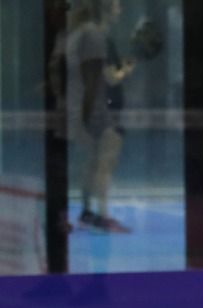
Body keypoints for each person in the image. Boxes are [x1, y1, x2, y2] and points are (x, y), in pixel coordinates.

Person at [62, 0, 135, 232]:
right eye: (116, 4)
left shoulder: (87, 35)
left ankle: (87, 211)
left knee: (92, 163)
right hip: (100, 112)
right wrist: (127, 70)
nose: (120, 8)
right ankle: (102, 215)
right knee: (105, 163)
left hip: (92, 110)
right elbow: (108, 77)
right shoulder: (95, 35)